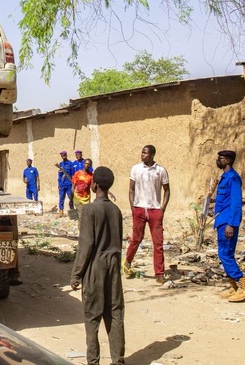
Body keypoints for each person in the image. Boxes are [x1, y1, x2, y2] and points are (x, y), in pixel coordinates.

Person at [71, 166, 125, 365]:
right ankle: (118, 360)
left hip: (95, 268)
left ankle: (93, 361)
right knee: (115, 314)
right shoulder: (116, 210)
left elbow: (85, 246)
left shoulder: (90, 210)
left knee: (92, 317)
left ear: (95, 185)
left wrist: (76, 274)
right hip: (114, 268)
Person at [123, 145, 170, 283]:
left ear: (152, 155)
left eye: (145, 153)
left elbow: (167, 190)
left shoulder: (161, 171)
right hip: (139, 208)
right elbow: (131, 189)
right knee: (136, 238)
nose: (142, 155)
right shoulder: (136, 168)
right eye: (142, 152)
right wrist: (133, 207)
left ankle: (159, 273)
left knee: (158, 242)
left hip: (155, 210)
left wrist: (163, 208)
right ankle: (128, 261)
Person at [213, 150, 245, 302]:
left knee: (225, 254)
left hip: (228, 222)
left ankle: (243, 285)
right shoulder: (224, 177)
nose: (219, 160)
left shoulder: (233, 178)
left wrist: (231, 224)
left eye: (221, 158)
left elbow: (236, 202)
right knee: (224, 253)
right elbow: (224, 201)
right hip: (221, 219)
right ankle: (234, 286)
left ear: (228, 160)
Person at [56, 150, 75, 215]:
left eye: (64, 155)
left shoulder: (70, 163)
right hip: (62, 184)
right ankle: (61, 210)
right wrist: (59, 184)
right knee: (61, 197)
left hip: (69, 184)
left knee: (71, 197)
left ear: (66, 155)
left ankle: (72, 209)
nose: (63, 156)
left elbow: (73, 174)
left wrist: (73, 183)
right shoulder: (60, 164)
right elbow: (59, 175)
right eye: (62, 155)